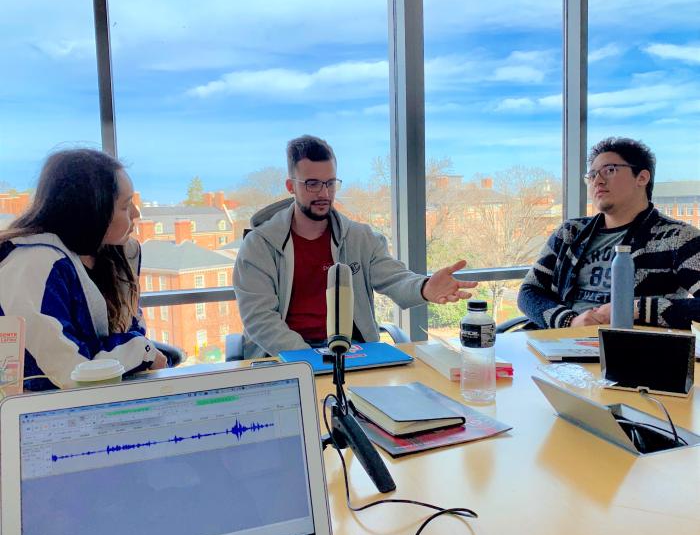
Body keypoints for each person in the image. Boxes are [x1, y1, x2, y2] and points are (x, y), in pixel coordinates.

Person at [234, 135, 477, 358]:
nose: (324, 193)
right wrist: (310, 359)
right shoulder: (259, 245)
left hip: (351, 353)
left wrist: (424, 287)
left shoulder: (360, 237)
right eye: (312, 184)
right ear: (291, 186)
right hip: (286, 358)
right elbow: (260, 320)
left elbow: (395, 279)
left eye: (330, 183)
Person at [0, 148, 167, 390]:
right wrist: (141, 351)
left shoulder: (114, 253)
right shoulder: (32, 265)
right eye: (125, 205)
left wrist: (140, 350)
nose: (136, 214)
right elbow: (71, 373)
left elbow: (132, 329)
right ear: (91, 209)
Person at [518, 137, 700, 329]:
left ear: (642, 178)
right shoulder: (570, 233)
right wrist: (569, 321)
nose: (597, 180)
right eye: (592, 175)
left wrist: (635, 309)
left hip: (633, 348)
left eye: (609, 170)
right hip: (562, 343)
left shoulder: (678, 238)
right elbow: (529, 292)